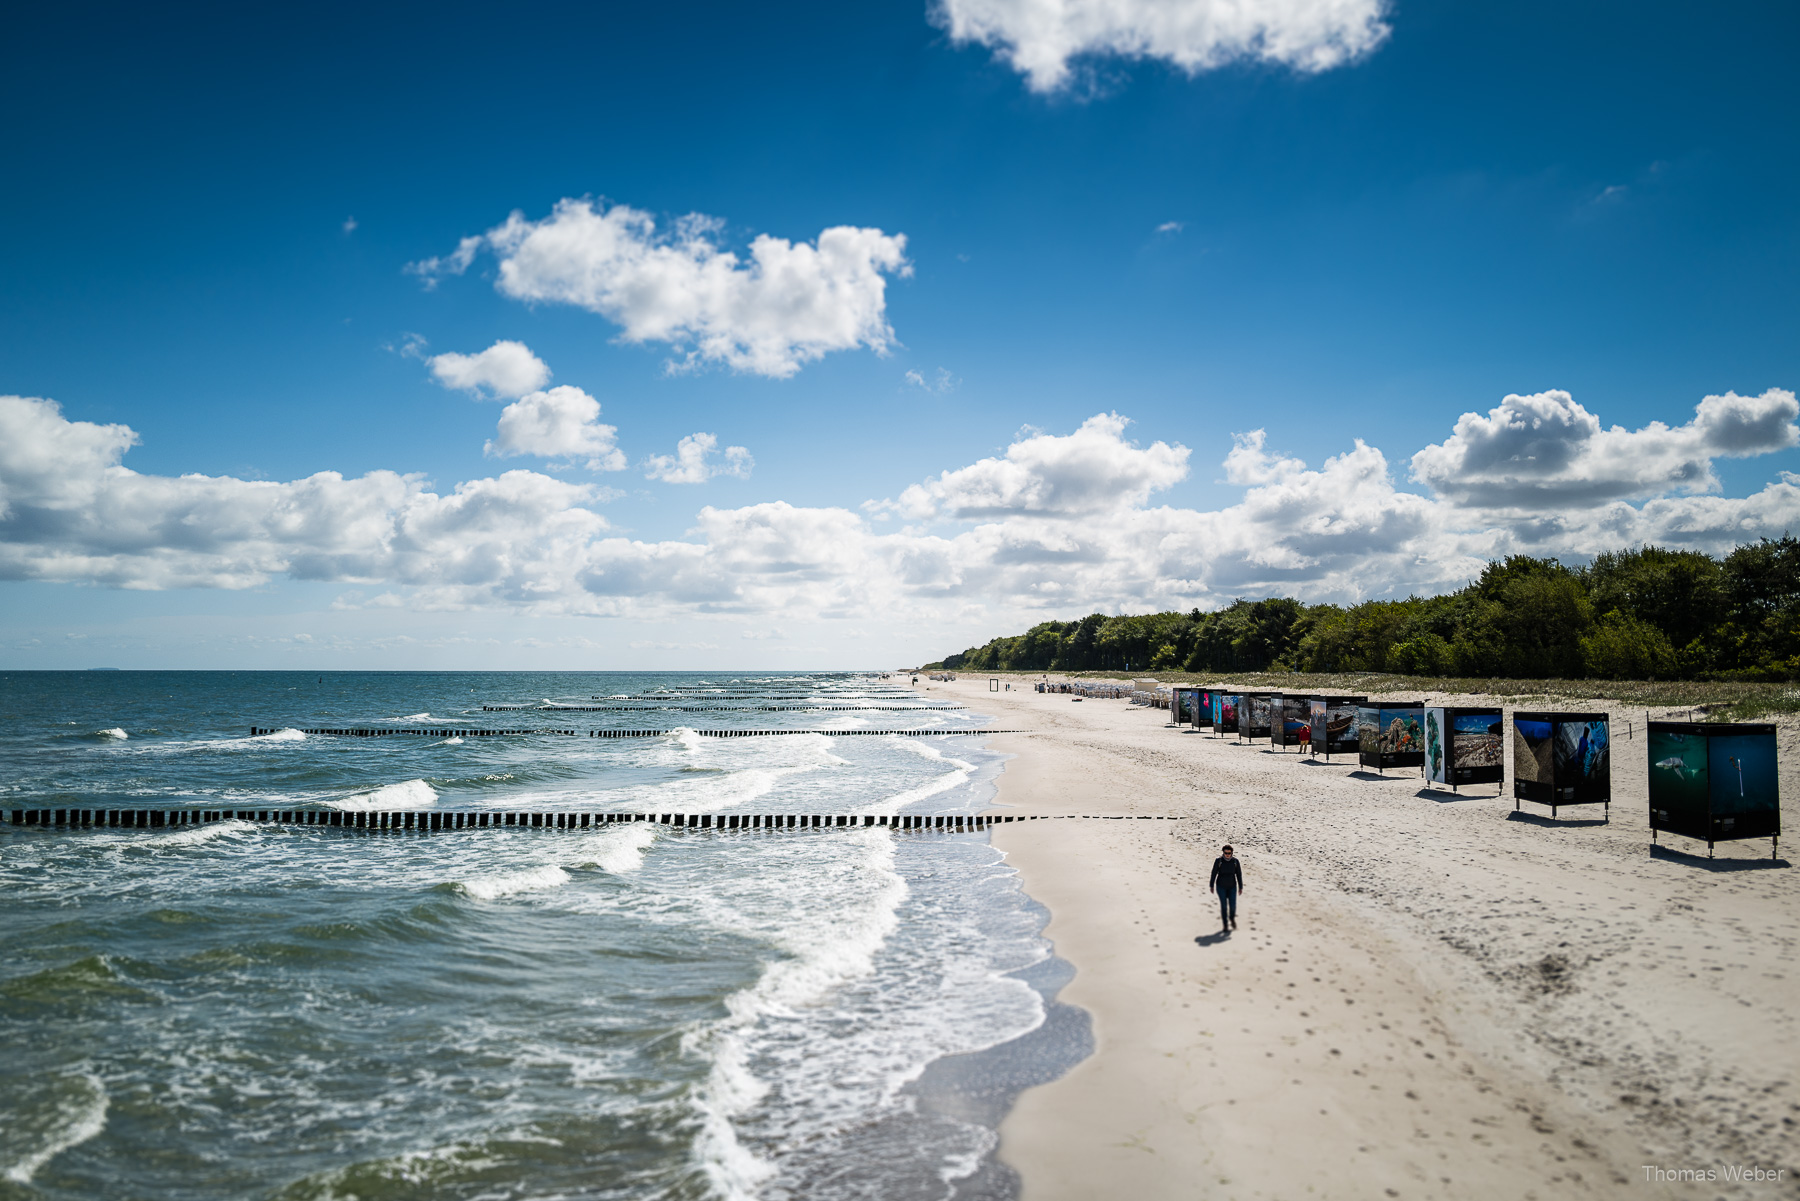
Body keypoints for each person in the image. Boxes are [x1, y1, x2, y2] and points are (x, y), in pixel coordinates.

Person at [1209, 845, 1243, 930]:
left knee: (1232, 906)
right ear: (1223, 852)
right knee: (1224, 906)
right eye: (1225, 853)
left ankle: (1231, 918)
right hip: (1221, 887)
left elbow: (1239, 874)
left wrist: (1240, 886)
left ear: (1232, 853)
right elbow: (1214, 873)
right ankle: (1225, 924)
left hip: (1232, 887)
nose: (1227, 855)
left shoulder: (1235, 861)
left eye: (1229, 853)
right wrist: (1211, 885)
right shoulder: (1218, 861)